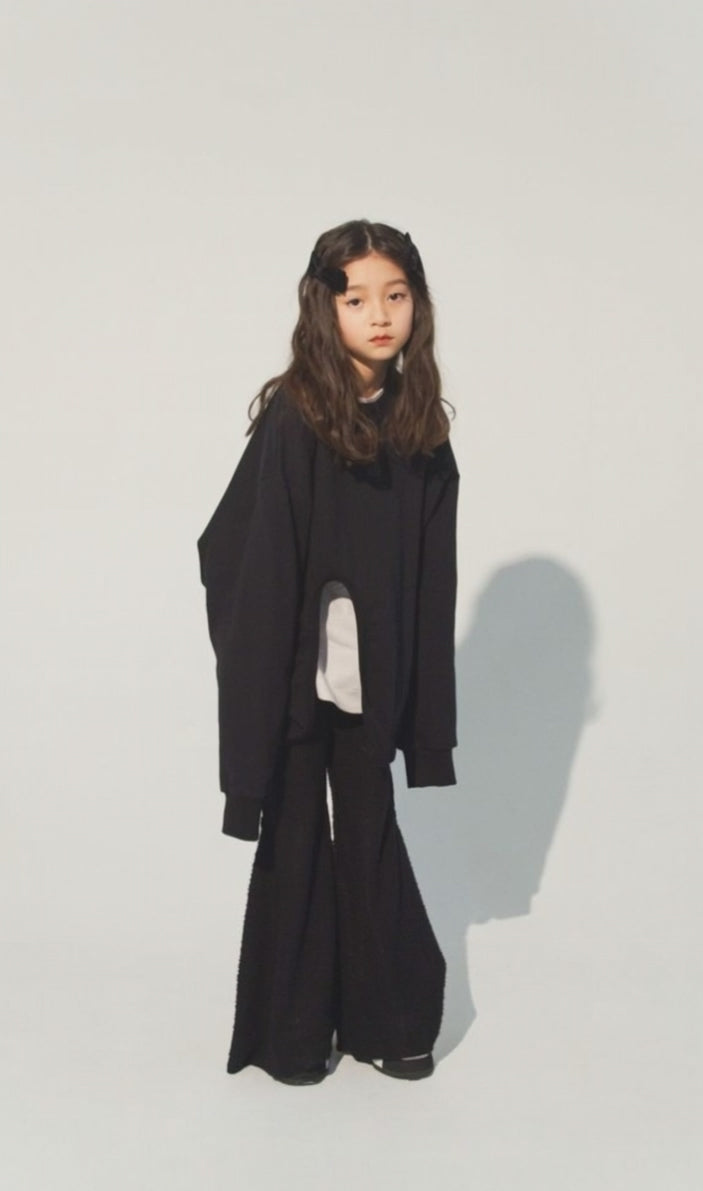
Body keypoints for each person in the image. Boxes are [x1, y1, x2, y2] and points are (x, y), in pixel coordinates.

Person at [196, 219, 459, 1085]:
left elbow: (432, 579)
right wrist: (271, 674)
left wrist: (424, 719)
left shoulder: (421, 428)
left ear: (417, 304)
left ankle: (392, 1021)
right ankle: (295, 1032)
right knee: (298, 828)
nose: (379, 315)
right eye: (357, 299)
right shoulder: (298, 416)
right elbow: (249, 552)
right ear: (325, 308)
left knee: (370, 826)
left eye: (396, 295)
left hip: (370, 680)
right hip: (295, 674)